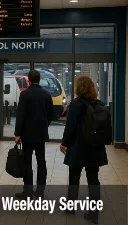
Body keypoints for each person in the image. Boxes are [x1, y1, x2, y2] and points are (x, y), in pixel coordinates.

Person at [60, 76, 108, 224]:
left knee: (74, 178)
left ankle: (70, 206)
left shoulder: (76, 104)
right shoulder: (99, 104)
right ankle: (94, 213)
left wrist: (64, 143)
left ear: (79, 88)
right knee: (93, 180)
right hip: (95, 147)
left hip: (78, 147)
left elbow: (70, 126)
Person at [14, 70, 54, 199]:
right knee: (41, 162)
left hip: (27, 134)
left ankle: (27, 191)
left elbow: (20, 116)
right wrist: (43, 126)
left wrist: (18, 134)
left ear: (29, 80)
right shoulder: (46, 95)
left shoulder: (24, 95)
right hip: (41, 134)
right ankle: (40, 191)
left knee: (27, 162)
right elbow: (51, 115)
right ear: (39, 79)